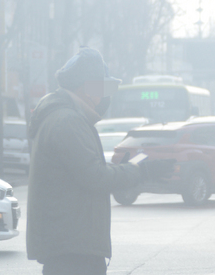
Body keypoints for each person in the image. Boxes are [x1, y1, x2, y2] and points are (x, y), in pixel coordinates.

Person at [26, 47, 175, 275]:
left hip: (68, 246)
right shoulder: (68, 121)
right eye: (103, 87)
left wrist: (121, 169)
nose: (105, 95)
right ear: (86, 87)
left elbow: (81, 172)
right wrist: (140, 170)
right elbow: (94, 177)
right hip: (74, 252)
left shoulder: (61, 117)